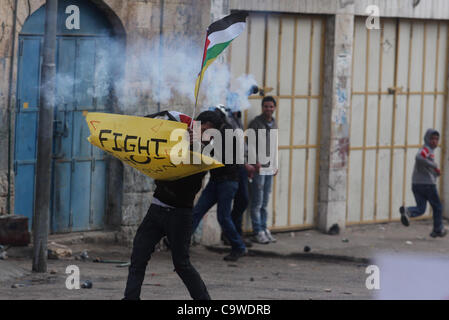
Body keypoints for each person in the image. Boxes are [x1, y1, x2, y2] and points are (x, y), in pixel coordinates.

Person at [123, 110, 222, 300]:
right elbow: (163, 118)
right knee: (138, 257)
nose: (205, 134)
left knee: (181, 264)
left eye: (209, 132)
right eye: (202, 129)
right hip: (157, 207)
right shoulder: (179, 136)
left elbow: (203, 162)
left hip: (180, 214)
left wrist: (195, 145)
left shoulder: (210, 151)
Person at [192, 107, 248, 262]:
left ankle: (239, 247)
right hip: (217, 180)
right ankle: (180, 242)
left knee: (223, 217)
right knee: (198, 211)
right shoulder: (215, 132)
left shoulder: (226, 134)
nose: (201, 130)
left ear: (209, 124)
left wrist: (203, 145)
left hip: (228, 181)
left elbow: (218, 158)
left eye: (203, 127)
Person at [400, 129, 447, 238]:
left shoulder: (428, 150)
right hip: (427, 185)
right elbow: (419, 157)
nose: (434, 141)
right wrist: (434, 165)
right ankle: (438, 229)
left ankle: (408, 211)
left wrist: (435, 172)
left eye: (436, 139)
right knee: (438, 207)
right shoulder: (426, 149)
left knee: (421, 209)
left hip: (416, 184)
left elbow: (424, 166)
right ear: (427, 139)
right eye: (432, 139)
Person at [248, 96, 278, 244]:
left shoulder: (274, 123)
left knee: (265, 201)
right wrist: (255, 162)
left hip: (269, 167)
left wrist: (275, 164)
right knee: (257, 202)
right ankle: (257, 231)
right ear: (262, 107)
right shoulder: (255, 123)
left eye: (271, 107)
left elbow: (274, 146)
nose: (268, 109)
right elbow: (250, 145)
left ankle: (264, 228)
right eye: (266, 106)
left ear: (274, 108)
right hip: (259, 167)